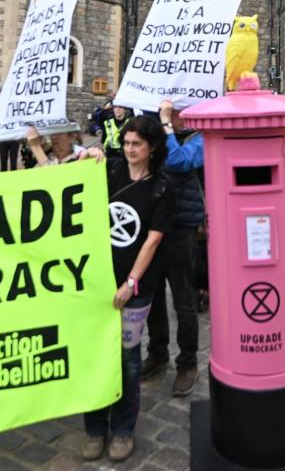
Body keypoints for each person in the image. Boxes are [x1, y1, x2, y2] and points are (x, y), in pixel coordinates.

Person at [78, 116, 175, 463]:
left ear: (151, 148)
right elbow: (75, 173)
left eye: (137, 144)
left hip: (136, 287)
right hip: (96, 282)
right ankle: (93, 428)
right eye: (127, 143)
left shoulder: (162, 187)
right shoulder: (111, 171)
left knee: (128, 360)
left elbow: (152, 240)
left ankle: (123, 428)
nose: (130, 149)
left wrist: (130, 283)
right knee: (95, 356)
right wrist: (87, 154)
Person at [143, 100, 205, 396]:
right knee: (152, 296)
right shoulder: (159, 136)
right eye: (170, 111)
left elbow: (179, 161)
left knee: (183, 300)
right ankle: (157, 353)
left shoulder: (201, 137)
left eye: (177, 111)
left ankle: (188, 362)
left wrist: (166, 125)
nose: (173, 115)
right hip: (154, 225)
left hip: (181, 228)